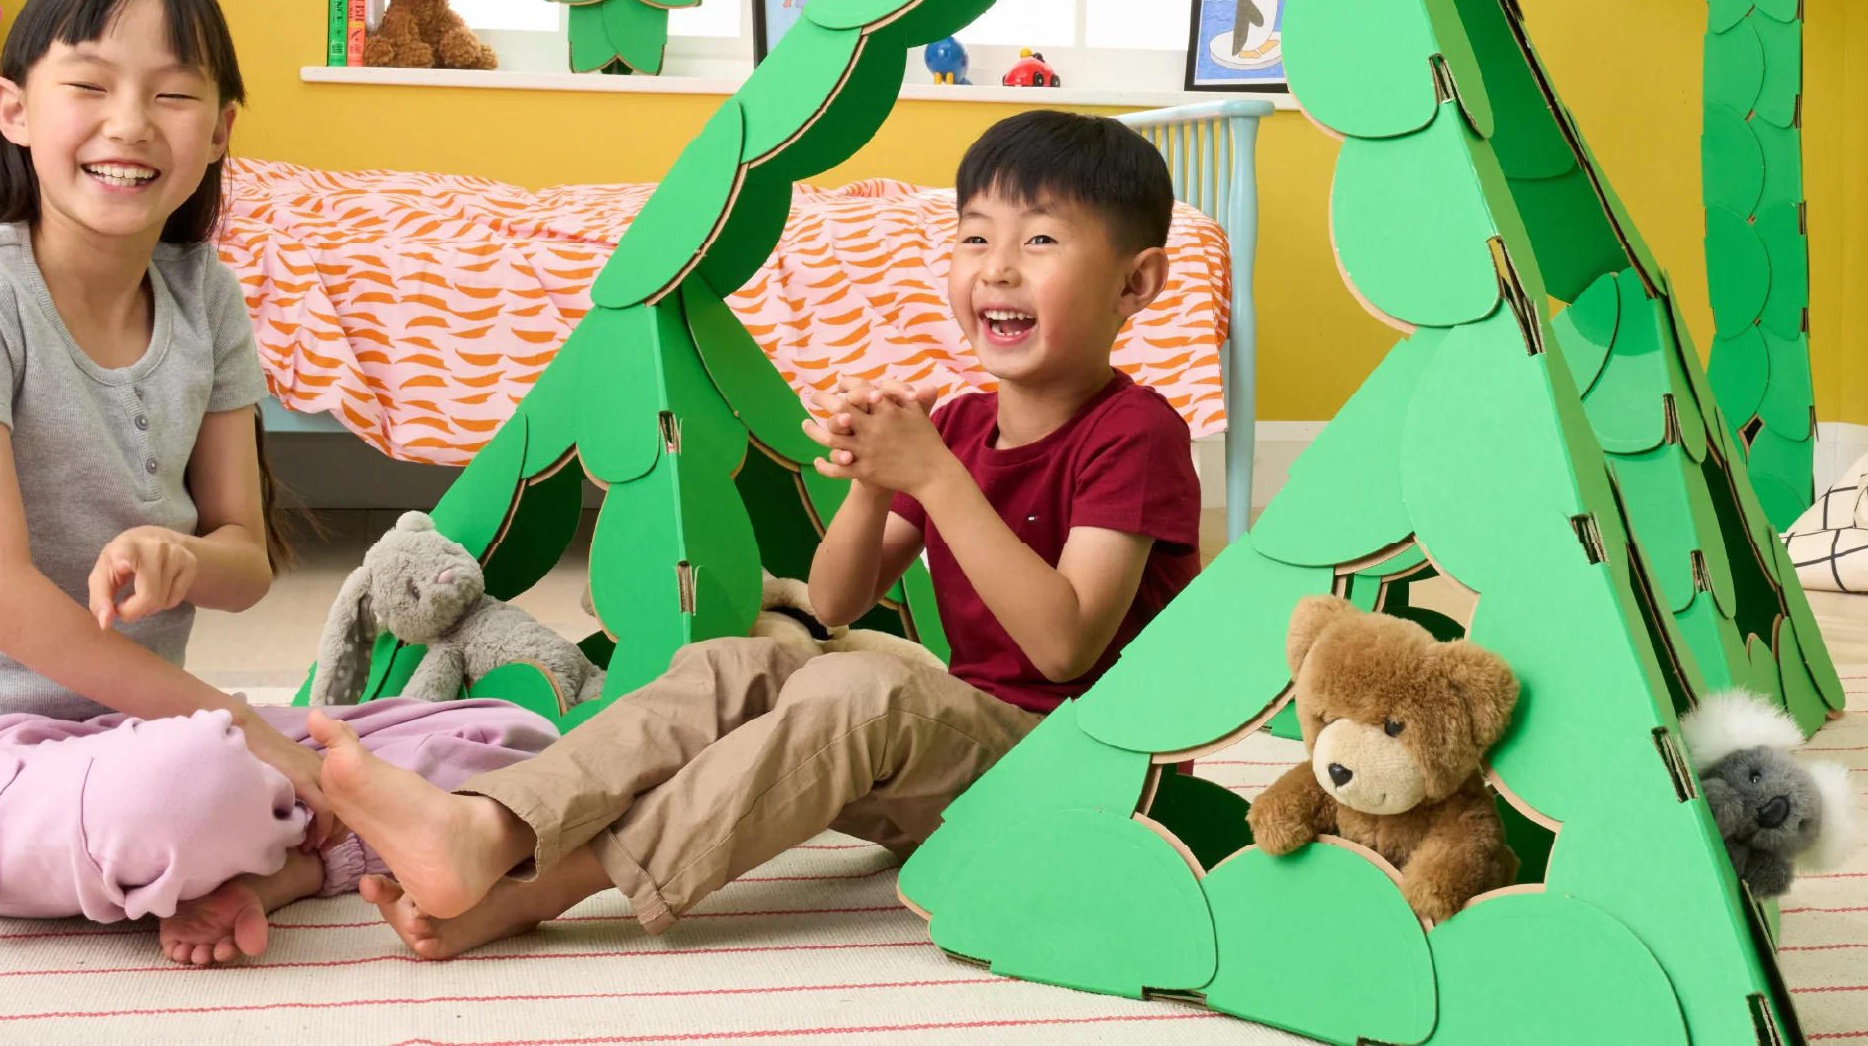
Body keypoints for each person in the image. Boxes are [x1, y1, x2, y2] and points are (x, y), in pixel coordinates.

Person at [313, 110, 1202, 960]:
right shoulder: (961, 425)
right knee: (732, 663)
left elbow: (1061, 643)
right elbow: (837, 601)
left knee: (863, 688)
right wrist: (871, 480)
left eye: (1039, 240)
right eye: (974, 236)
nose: (996, 268)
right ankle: (493, 826)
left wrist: (934, 476)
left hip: (1072, 782)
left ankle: (540, 889)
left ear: (1135, 283)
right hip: (956, 772)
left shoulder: (1136, 434)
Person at [0, 0, 557, 968]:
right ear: (13, 111)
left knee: (511, 738)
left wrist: (185, 559)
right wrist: (250, 733)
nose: (131, 123)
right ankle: (297, 840)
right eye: (89, 85)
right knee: (192, 786)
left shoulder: (207, 294)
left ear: (221, 129)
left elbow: (245, 563)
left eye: (173, 94)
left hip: (150, 728)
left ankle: (269, 870)